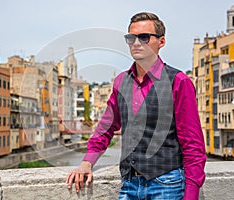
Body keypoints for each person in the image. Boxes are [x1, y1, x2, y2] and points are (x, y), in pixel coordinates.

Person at [66, 12, 206, 200]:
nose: (136, 43)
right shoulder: (121, 82)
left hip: (168, 185)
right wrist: (86, 163)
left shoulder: (178, 81)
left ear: (161, 41)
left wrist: (191, 195)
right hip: (130, 185)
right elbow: (106, 128)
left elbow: (193, 144)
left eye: (144, 37)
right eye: (131, 38)